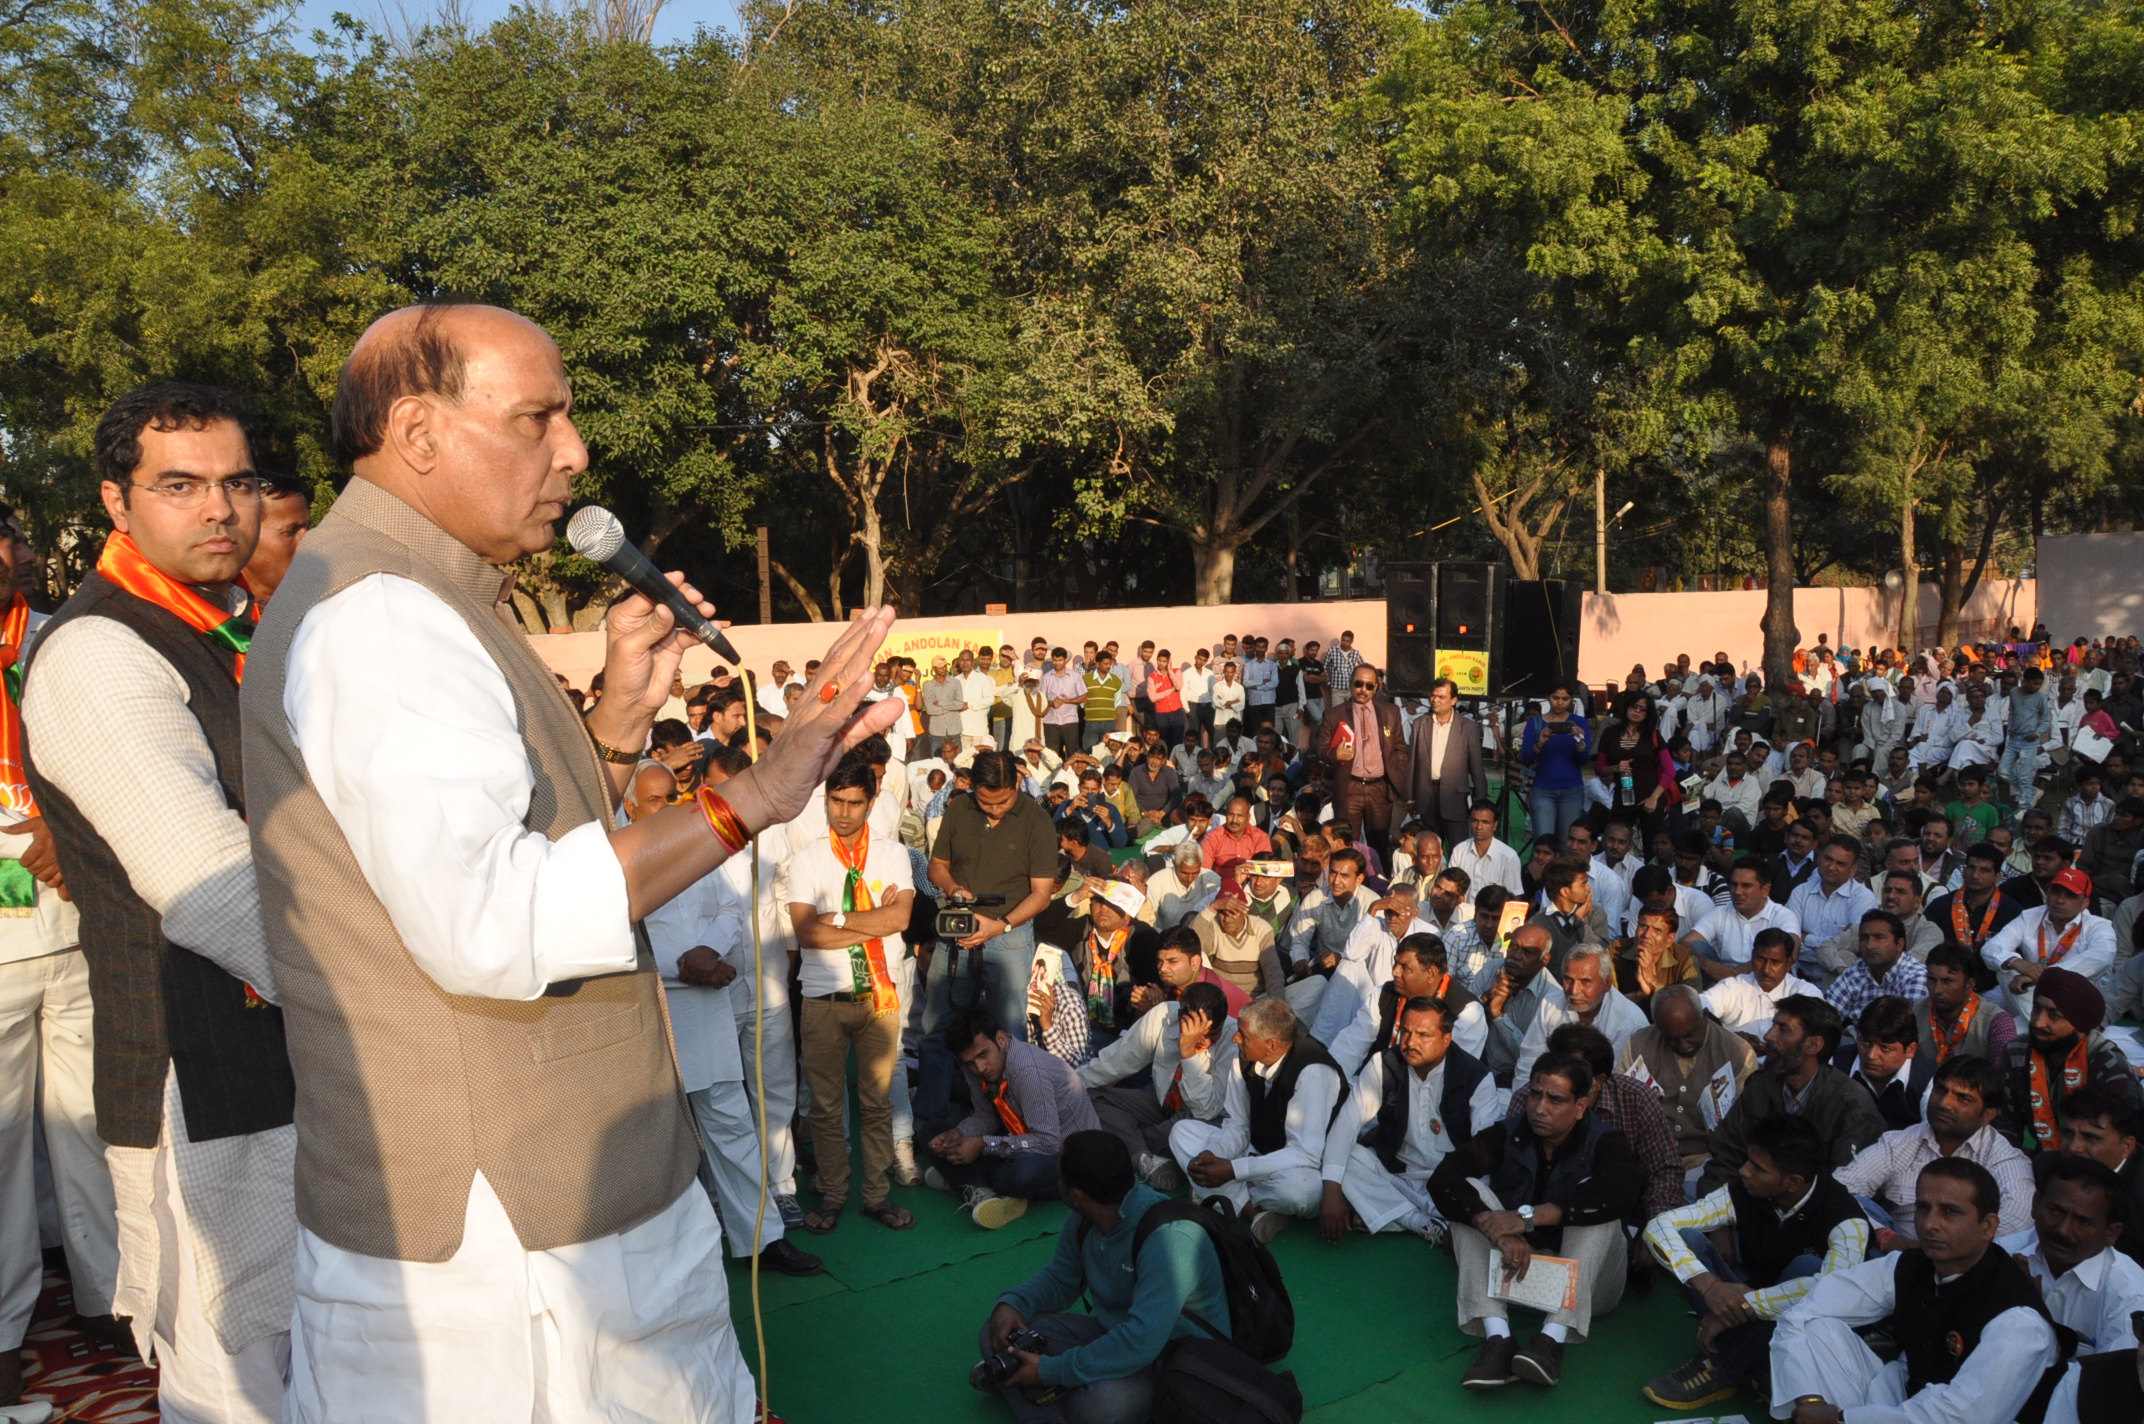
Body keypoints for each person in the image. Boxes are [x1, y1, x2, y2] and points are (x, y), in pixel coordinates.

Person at [248, 304, 918, 1420]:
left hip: (543, 1227)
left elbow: (491, 847)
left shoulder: (423, 597)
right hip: (512, 1258)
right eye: (538, 417)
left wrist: (613, 721)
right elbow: (492, 925)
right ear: (417, 432)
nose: (576, 451)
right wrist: (752, 792)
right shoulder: (381, 620)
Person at [22, 383, 287, 1420]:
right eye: (180, 484)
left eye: (237, 481)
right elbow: (211, 890)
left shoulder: (231, 628)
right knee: (244, 1379)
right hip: (207, 1084)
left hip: (291, 1057)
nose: (219, 508)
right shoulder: (97, 649)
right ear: (117, 502)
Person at [0, 507, 120, 1405]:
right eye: (6, 539)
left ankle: (108, 1301)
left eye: (12, 538)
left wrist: (61, 828)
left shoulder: (62, 640)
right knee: (3, 1150)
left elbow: (116, 764)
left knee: (92, 1125)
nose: (22, 553)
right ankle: (7, 1332)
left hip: (77, 921)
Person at [625, 761, 824, 1274]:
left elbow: (731, 911)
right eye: (654, 800)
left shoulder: (695, 844)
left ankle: (763, 1239)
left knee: (733, 1130)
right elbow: (618, 940)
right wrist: (686, 966)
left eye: (673, 796)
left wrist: (710, 953)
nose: (667, 807)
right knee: (656, 1146)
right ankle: (667, 1258)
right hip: (654, 1018)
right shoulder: (613, 857)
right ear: (629, 806)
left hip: (707, 1011)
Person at [1768, 1159, 2062, 1424]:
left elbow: (1965, 1417)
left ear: (1987, 1226)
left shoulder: (2019, 1320)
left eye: (1950, 1212)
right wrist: (1811, 1400)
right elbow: (1804, 1312)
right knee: (1816, 1327)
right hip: (1910, 1398)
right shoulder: (1912, 1265)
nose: (1930, 1224)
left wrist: (1842, 1419)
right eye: (1923, 1208)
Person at [977, 1130, 1231, 1424]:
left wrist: (1050, 1371)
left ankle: (1027, 1385)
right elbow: (1062, 1279)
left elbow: (1140, 1342)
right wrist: (1015, 1303)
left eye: (1059, 1175)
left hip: (1173, 1357)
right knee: (995, 1332)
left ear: (1075, 1195)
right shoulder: (1085, 1214)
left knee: (1098, 1408)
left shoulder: (1171, 1239)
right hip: (1116, 1335)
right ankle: (1038, 1392)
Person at [1434, 1053, 1646, 1389]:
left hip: (1590, 1290)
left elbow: (1622, 1192)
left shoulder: (1605, 1141)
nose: (1539, 1108)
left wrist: (1527, 1219)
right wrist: (1498, 1233)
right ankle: (1499, 1339)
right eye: (1535, 1094)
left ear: (1581, 1106)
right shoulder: (1509, 1133)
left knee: (1597, 1205)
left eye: (1555, 1099)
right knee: (1469, 1196)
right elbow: (1444, 1178)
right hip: (1518, 1270)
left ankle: (1551, 1341)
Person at [1639, 1115, 1870, 1411]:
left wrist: (1742, 1308)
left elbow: (1836, 1293)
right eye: (1748, 1161)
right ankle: (1761, 1367)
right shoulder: (1743, 1190)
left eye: (1757, 1168)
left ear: (1792, 1183)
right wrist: (1709, 1287)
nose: (1743, 1171)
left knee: (1810, 1270)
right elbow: (1658, 1227)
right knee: (1686, 1238)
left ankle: (1719, 1367)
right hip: (1742, 1299)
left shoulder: (1846, 1219)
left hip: (1801, 1332)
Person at [781, 757, 920, 1235]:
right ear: (825, 800)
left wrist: (835, 919)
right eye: (835, 801)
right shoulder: (806, 859)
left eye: (854, 802)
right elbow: (805, 934)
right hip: (822, 997)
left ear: (871, 801)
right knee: (824, 1105)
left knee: (878, 1102)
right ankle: (835, 1193)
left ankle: (876, 1195)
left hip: (878, 996)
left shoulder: (892, 853)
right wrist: (865, 923)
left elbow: (900, 920)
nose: (843, 812)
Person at [1323, 996, 1498, 1243]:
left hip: (1451, 1182)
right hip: (1398, 1175)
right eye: (1405, 1032)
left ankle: (1391, 1214)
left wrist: (1473, 1207)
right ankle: (1421, 1223)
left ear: (1446, 1039)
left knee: (1481, 1187)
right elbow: (1348, 1123)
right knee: (1347, 1158)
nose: (1410, 1042)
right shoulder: (1385, 1064)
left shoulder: (1476, 1077)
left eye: (1423, 1035)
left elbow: (1485, 1152)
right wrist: (1331, 1191)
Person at [1170, 996, 1342, 1242]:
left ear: (1271, 1045)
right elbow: (1238, 1124)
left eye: (1243, 1035)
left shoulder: (1312, 1073)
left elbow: (1306, 1153)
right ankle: (1254, 1210)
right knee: (1182, 1133)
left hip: (1299, 1166)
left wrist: (1233, 1170)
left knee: (1304, 1192)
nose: (1234, 1038)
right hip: (1255, 1153)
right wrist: (1216, 1154)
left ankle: (1225, 1196)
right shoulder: (1242, 1056)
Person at [927, 1008, 1102, 1230]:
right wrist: (960, 1134)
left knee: (1018, 1173)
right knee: (931, 1132)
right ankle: (974, 1184)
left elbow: (1048, 1143)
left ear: (1000, 1039)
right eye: (970, 1062)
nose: (979, 1068)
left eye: (983, 1055)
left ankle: (966, 1181)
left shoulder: (1028, 1072)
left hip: (1069, 1156)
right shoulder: (974, 1067)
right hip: (1021, 1137)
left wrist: (982, 1145)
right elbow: (985, 1115)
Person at [928, 749, 1060, 1042]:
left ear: (1016, 785)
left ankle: (1009, 1088)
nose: (995, 809)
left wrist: (1001, 925)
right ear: (973, 787)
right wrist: (953, 889)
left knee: (1010, 1030)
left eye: (1003, 801)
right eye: (985, 802)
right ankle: (943, 1088)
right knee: (937, 1027)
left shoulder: (1037, 821)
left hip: (1010, 936)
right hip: (958, 927)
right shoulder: (959, 809)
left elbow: (1041, 894)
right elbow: (937, 866)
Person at [1835, 1053, 2033, 1240]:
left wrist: (1951, 1250)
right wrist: (1883, 1236)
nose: (1945, 1103)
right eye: (1941, 1090)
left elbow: (2017, 1220)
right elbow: (1838, 1189)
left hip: (1967, 1264)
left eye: (1962, 1098)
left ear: (1987, 1115)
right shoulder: (1899, 1143)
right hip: (1896, 1257)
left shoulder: (2004, 1158)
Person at [1701, 996, 1885, 1192]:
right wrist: (1717, 1210)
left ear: (1814, 1045)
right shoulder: (1761, 1084)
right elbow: (1726, 1156)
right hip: (1749, 1196)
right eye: (1773, 1026)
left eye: (1783, 1029)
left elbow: (1841, 1189)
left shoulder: (1851, 1106)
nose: (1768, 1036)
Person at [1077, 980, 1236, 1193]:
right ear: (1180, 1017)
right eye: (1198, 1035)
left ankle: (1134, 1146)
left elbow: (1206, 1109)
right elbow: (1116, 1062)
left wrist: (1188, 1052)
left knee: (1190, 1130)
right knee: (1090, 1097)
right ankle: (1145, 1158)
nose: (1204, 1042)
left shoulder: (1233, 1037)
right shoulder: (1163, 1015)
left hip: (1199, 1118)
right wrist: (1067, 1085)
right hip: (1162, 1105)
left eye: (1211, 1035)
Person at [2006, 1154, 2144, 1358]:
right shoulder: (2003, 1254)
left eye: (2083, 1222)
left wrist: (2029, 1317)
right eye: (2054, 1211)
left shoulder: (2129, 1296)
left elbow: (2111, 1382)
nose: (2063, 1230)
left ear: (2111, 1233)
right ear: (2035, 1205)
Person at [1618, 983, 1758, 1174]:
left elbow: (1746, 1122)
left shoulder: (1738, 1053)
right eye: (1671, 1038)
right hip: (1648, 1156)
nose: (1683, 1045)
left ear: (1705, 1016)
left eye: (1690, 1034)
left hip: (1707, 1160)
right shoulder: (1638, 1044)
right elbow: (1620, 1105)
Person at [1999, 966, 2143, 1151]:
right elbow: (2005, 1123)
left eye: (2055, 1015)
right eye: (2037, 1008)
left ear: (2079, 1025)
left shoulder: (2108, 1065)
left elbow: (2122, 1143)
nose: (2038, 1022)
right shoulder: (2017, 1053)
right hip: (2041, 1159)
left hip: (2096, 1167)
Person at [1982, 865, 2116, 1019]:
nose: (2060, 900)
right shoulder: (2029, 916)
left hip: (2075, 1000)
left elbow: (2101, 957)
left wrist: (2044, 976)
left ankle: (2037, 1025)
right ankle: (2039, 1024)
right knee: (2005, 966)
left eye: (2070, 895)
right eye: (2056, 892)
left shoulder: (2100, 926)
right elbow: (1990, 948)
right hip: (2030, 994)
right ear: (2047, 892)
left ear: (2085, 902)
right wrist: (2017, 963)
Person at [1513, 945, 1647, 1086]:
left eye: (1585, 982)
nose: (1574, 990)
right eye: (1568, 980)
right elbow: (1529, 1062)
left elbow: (1615, 1083)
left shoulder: (1630, 1021)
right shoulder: (1550, 1003)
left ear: (1607, 984)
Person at [1317, 661, 1410, 862]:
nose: (1363, 690)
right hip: (1349, 786)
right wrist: (1335, 755)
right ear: (1351, 684)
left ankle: (1377, 888)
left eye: (1369, 686)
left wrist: (1397, 773)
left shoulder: (1390, 712)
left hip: (1379, 787)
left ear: (1376, 687)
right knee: (1345, 845)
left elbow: (1400, 748)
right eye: (1359, 684)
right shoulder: (1335, 714)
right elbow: (1320, 749)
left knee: (1379, 845)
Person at [1683, 855, 1803, 984]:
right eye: (1734, 885)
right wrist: (1709, 966)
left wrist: (1737, 976)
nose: (1737, 891)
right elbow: (1683, 944)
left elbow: (1792, 951)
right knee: (1696, 947)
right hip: (1722, 979)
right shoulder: (1720, 912)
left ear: (1765, 890)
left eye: (1746, 886)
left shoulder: (1783, 915)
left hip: (1765, 981)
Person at [1407, 678, 1489, 847]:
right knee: (1429, 851)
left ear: (1453, 700)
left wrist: (1480, 804)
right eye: (1433, 695)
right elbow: (1412, 764)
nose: (1435, 700)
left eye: (1441, 697)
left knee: (1458, 850)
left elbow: (1477, 769)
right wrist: (1410, 797)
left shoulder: (1468, 728)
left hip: (1455, 800)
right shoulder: (1419, 724)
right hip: (1426, 799)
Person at [1701, 927, 1821, 1040]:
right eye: (1761, 959)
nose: (1766, 969)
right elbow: (1699, 1006)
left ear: (1788, 963)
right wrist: (1733, 1041)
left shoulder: (1805, 993)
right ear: (1752, 957)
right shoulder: (1733, 986)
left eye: (1775, 962)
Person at [1519, 684, 1591, 845]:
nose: (1560, 703)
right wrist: (1540, 743)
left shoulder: (1579, 723)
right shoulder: (1536, 723)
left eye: (1565, 699)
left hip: (1571, 789)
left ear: (1571, 700)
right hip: (1542, 789)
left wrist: (1580, 742)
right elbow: (1526, 757)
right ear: (1548, 697)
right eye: (1555, 698)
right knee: (1544, 843)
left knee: (1568, 844)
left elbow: (1583, 760)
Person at [1189, 882, 1286, 1001]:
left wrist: (1277, 1002)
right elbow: (1191, 945)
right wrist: (1212, 907)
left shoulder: (1262, 929)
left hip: (1256, 998)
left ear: (1245, 911)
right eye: (1223, 913)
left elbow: (1272, 971)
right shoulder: (1213, 926)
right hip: (1221, 998)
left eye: (1233, 913)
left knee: (1314, 984)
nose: (1227, 919)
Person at [1825, 910, 1930, 1019]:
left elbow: (1906, 1030)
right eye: (1864, 938)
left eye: (1879, 938)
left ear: (1899, 944)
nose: (1870, 946)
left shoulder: (1916, 977)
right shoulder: (1859, 968)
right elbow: (1828, 1017)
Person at [239, 473, 312, 608]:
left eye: (308, 528)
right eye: (291, 531)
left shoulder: (326, 607)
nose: (309, 542)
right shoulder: (211, 618)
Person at [1451, 801, 1524, 898]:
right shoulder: (1459, 850)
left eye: (1485, 822)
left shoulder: (1509, 857)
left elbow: (1514, 898)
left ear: (1495, 825)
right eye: (1474, 821)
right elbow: (1450, 888)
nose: (1479, 827)